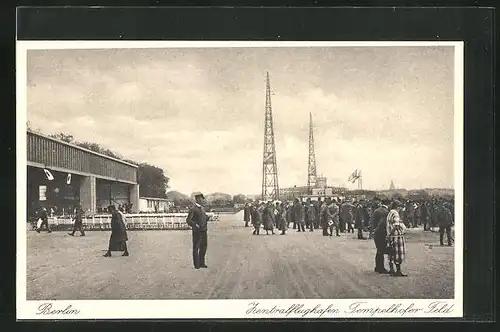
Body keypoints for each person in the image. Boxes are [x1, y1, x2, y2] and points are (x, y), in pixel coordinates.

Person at [186, 192, 209, 269]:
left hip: (204, 230)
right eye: (201, 199)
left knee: (203, 247)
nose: (202, 200)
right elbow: (189, 220)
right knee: (196, 247)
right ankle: (197, 264)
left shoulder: (202, 208)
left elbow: (204, 217)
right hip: (197, 232)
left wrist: (207, 218)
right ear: (197, 199)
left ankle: (202, 263)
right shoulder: (193, 209)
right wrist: (195, 225)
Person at [386, 200, 407, 277]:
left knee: (391, 253)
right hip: (396, 236)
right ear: (398, 207)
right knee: (398, 253)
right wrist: (391, 234)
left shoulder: (390, 213)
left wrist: (389, 235)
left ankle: (392, 270)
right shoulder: (395, 213)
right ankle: (398, 271)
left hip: (391, 235)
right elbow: (396, 225)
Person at [371, 199, 390, 274]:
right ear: (388, 204)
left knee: (379, 250)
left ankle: (377, 267)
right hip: (382, 233)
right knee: (381, 250)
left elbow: (373, 222)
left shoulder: (376, 210)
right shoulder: (386, 212)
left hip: (376, 232)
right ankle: (381, 268)